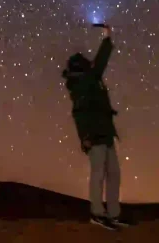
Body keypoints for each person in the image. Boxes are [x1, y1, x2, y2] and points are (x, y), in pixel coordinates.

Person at [62, 24, 130, 230]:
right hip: (95, 135)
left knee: (113, 175)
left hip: (105, 133)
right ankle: (97, 213)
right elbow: (80, 115)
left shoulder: (89, 82)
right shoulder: (83, 86)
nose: (92, 65)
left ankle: (113, 214)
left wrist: (107, 39)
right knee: (99, 175)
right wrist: (86, 138)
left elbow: (99, 64)